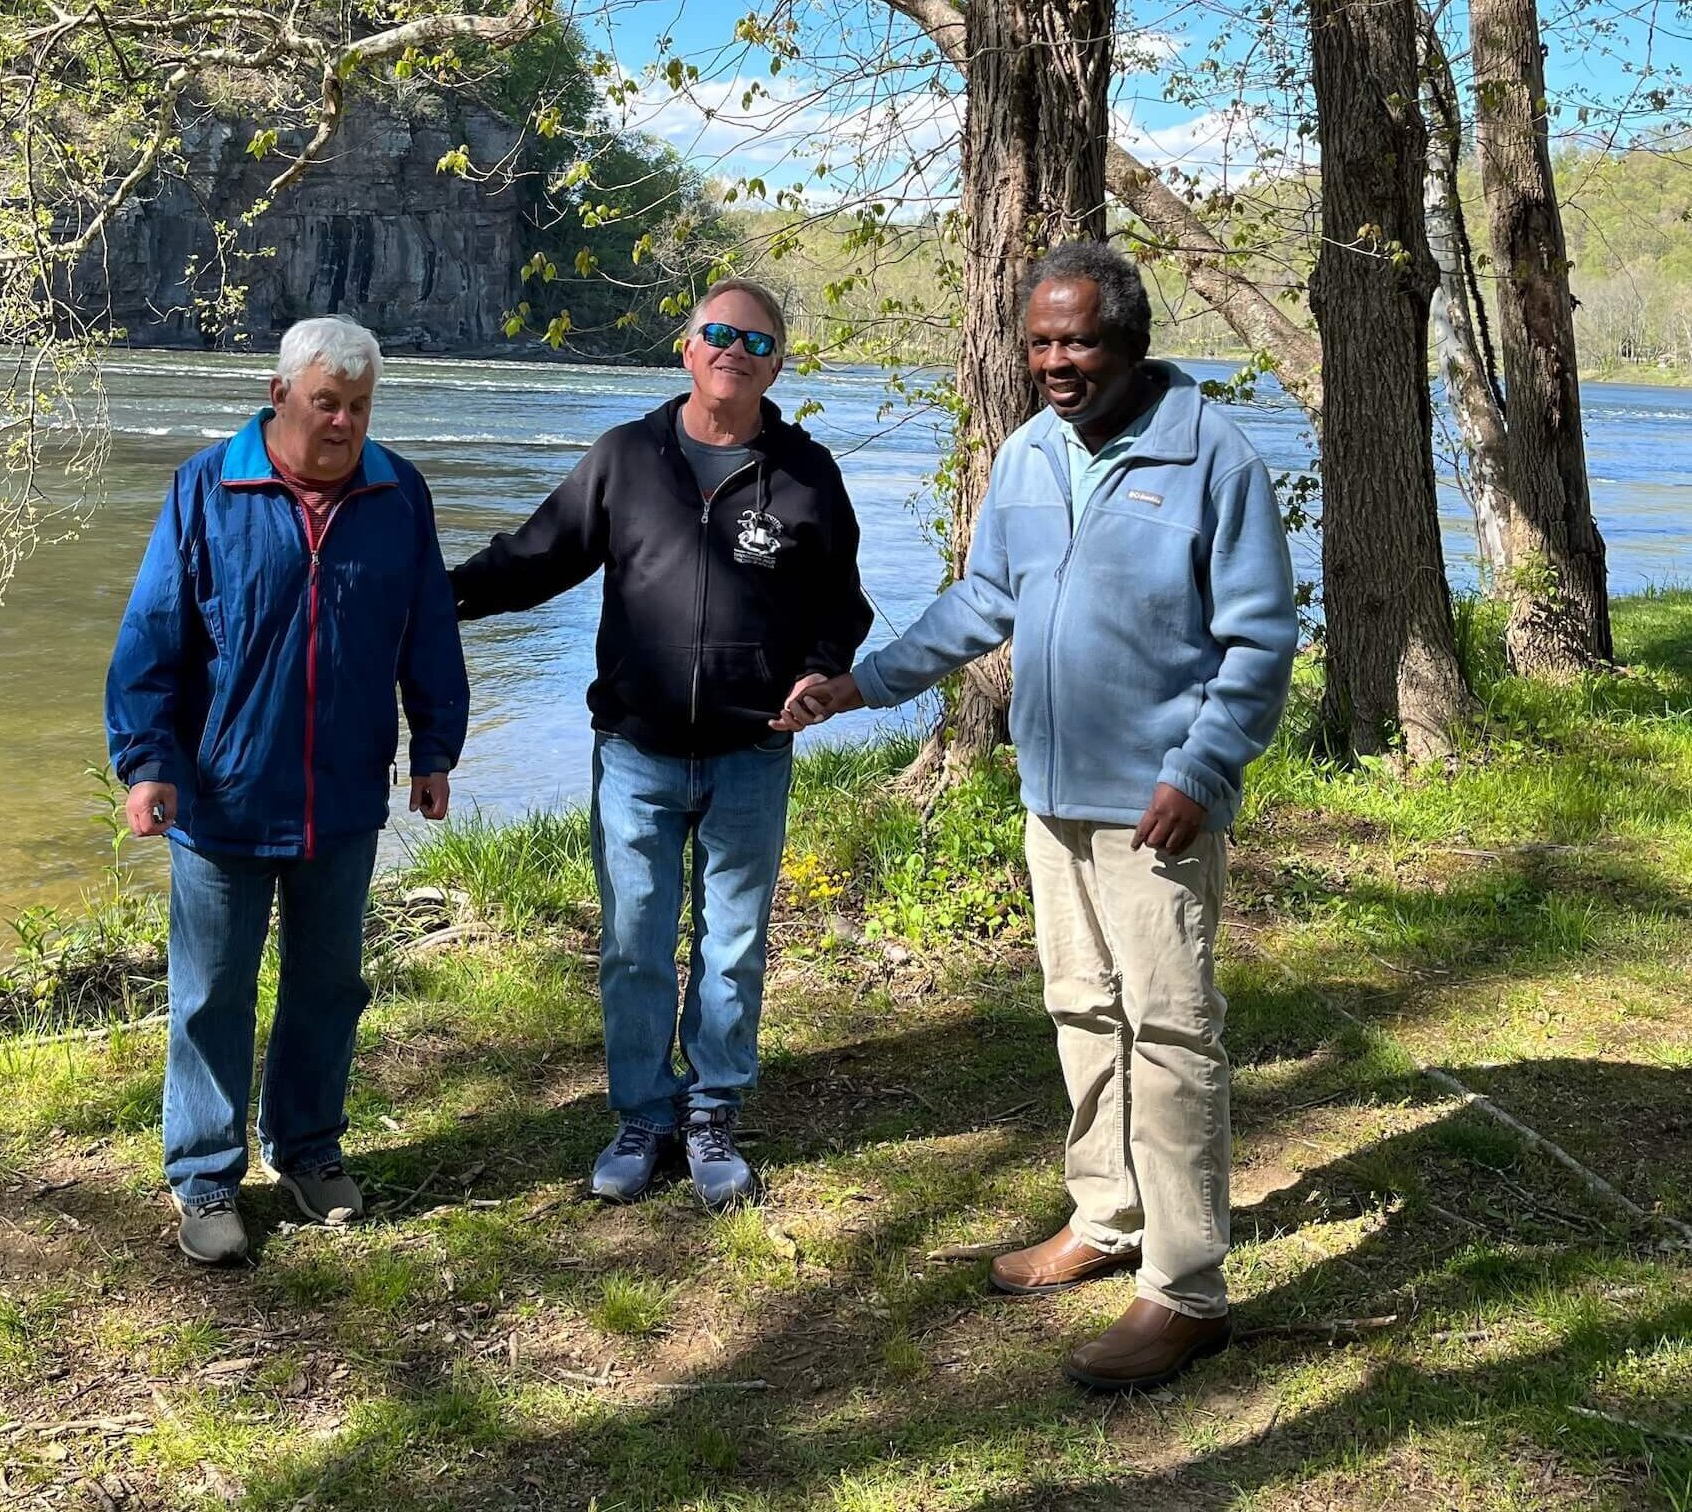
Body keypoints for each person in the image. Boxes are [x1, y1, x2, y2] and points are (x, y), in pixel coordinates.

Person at [787, 242, 1297, 1389]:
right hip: (1051, 797)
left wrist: (1200, 773)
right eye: (1039, 343)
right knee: (1080, 1010)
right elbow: (983, 600)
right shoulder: (1025, 455)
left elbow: (1261, 641)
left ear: (1130, 342)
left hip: (1158, 806)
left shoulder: (1211, 456)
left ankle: (1186, 1289)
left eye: (1076, 341)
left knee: (1171, 1035)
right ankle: (1106, 1218)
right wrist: (860, 683)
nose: (1055, 363)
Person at [450, 279, 872, 1208]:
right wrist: (438, 600)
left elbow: (841, 606)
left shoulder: (807, 475)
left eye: (756, 341)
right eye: (718, 333)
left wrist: (821, 670)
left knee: (734, 944)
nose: (735, 350)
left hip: (753, 750)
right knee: (635, 943)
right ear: (686, 350)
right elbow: (537, 558)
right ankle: (643, 1112)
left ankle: (713, 1109)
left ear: (776, 364)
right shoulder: (626, 458)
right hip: (636, 753)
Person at [105, 315, 467, 1265]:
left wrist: (435, 747)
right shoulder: (208, 488)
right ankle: (206, 1177)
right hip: (224, 795)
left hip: (343, 798)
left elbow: (429, 630)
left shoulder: (398, 495)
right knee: (210, 995)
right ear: (279, 398)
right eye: (325, 404)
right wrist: (147, 762)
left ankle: (306, 1148)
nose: (343, 423)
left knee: (328, 986)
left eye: (357, 407)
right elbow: (151, 637)